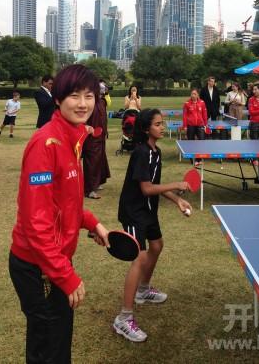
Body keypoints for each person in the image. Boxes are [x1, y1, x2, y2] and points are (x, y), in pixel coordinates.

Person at [9, 64, 109, 364]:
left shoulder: (73, 138)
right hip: (38, 265)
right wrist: (65, 275)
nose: (83, 104)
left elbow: (65, 203)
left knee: (57, 338)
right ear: (57, 98)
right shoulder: (45, 143)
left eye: (89, 96)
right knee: (49, 346)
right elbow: (35, 222)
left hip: (53, 259)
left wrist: (92, 223)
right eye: (74, 95)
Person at [113, 108, 192, 342]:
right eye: (158, 124)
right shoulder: (140, 153)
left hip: (147, 210)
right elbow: (147, 189)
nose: (162, 127)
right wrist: (176, 184)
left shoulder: (155, 152)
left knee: (157, 246)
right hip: (133, 212)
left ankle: (143, 290)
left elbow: (155, 184)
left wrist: (177, 200)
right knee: (139, 257)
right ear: (146, 129)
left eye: (162, 123)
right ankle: (124, 318)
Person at [82, 82, 111, 199]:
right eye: (101, 89)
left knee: (100, 161)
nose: (103, 91)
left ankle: (97, 183)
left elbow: (103, 118)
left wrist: (105, 131)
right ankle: (89, 190)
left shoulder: (101, 102)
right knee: (91, 162)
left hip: (101, 137)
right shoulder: (88, 103)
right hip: (91, 138)